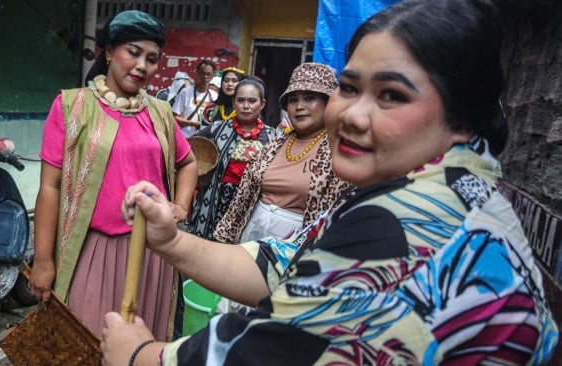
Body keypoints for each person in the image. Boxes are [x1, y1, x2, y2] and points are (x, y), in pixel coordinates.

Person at [103, 0, 559, 365]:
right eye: (350, 87)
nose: (353, 115)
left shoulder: (408, 225)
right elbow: (286, 262)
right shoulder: (441, 188)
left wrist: (143, 355)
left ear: (461, 116)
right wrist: (173, 241)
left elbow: (266, 350)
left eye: (392, 95)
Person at [28, 10, 198, 341]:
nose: (142, 66)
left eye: (151, 59)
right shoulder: (71, 107)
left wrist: (180, 206)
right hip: (94, 251)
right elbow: (49, 187)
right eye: (133, 52)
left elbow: (188, 162)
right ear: (109, 52)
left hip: (153, 255)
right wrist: (43, 261)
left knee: (142, 348)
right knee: (87, 344)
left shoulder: (160, 113)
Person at [215, 62, 350, 244]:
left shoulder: (339, 150)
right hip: (249, 241)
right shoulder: (275, 144)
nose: (299, 106)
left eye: (309, 98)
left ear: (329, 103)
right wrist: (224, 241)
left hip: (297, 250)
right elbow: (241, 202)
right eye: (293, 100)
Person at [186, 76, 279, 240]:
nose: (246, 106)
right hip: (213, 203)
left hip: (252, 206)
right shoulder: (216, 129)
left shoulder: (274, 137)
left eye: (252, 101)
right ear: (234, 102)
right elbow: (185, 148)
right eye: (241, 100)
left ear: (262, 104)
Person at [172, 60, 218, 137]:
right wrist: (193, 124)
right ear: (197, 73)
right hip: (185, 138)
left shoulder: (214, 96)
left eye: (208, 74)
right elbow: (175, 117)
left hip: (204, 141)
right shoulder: (186, 93)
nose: (205, 77)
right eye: (202, 73)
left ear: (213, 76)